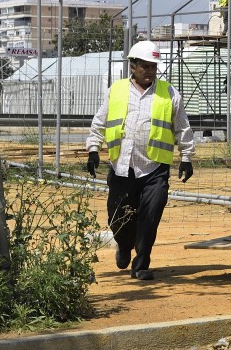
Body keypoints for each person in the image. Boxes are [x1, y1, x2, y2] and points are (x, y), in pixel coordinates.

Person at [86, 40, 196, 281]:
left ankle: (142, 264)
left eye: (153, 67)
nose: (149, 71)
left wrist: (186, 158)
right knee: (118, 217)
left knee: (150, 215)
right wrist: (94, 148)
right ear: (133, 66)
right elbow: (100, 121)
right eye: (145, 66)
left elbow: (183, 128)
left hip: (154, 169)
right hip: (121, 168)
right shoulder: (116, 90)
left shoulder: (169, 93)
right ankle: (124, 245)